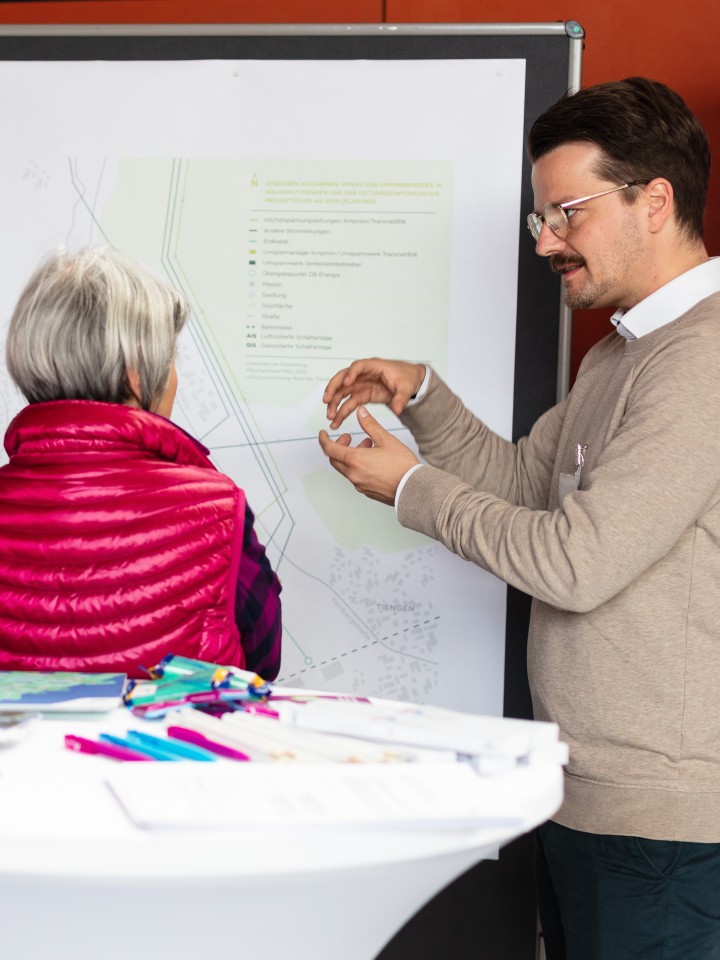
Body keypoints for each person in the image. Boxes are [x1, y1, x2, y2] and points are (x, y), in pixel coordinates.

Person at [318, 77, 720, 959]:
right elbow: (523, 481)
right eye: (541, 218)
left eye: (566, 212)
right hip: (589, 801)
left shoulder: (702, 361)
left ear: (654, 201)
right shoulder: (626, 349)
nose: (547, 241)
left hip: (661, 832)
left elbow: (578, 562)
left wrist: (410, 489)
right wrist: (423, 396)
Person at [0, 246, 282, 681]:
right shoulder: (218, 508)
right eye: (170, 359)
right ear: (135, 372)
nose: (173, 378)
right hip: (168, 748)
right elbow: (264, 659)